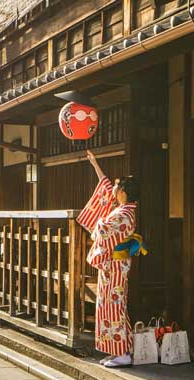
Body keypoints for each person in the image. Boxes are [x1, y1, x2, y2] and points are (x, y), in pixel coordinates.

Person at [77, 150, 139, 368]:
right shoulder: (123, 210)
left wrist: (100, 226)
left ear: (123, 192)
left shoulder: (124, 214)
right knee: (110, 307)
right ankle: (119, 350)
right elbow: (105, 186)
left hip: (115, 266)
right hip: (112, 266)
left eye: (117, 187)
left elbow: (101, 231)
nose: (113, 190)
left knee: (114, 308)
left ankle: (122, 353)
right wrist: (95, 165)